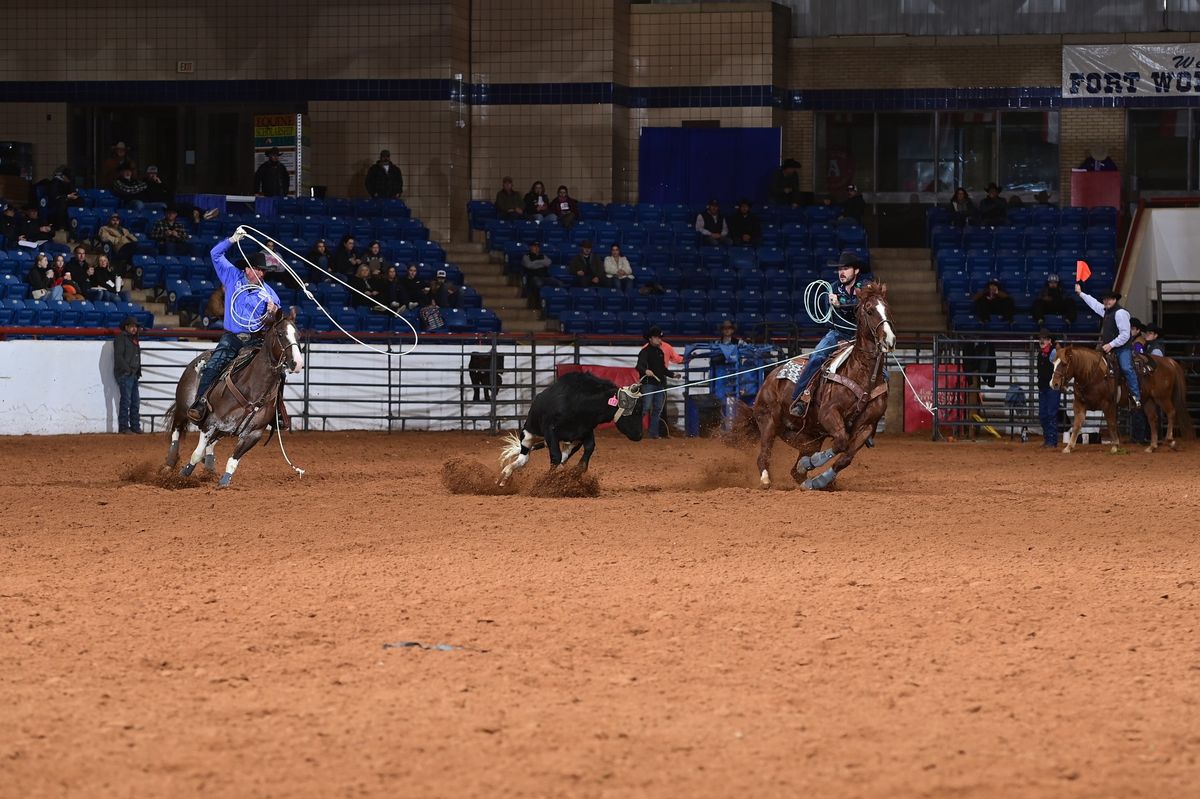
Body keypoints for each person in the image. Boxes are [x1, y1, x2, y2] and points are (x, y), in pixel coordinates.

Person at [186, 229, 282, 423]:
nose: (262, 274)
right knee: (213, 366)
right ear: (247, 269)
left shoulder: (270, 294)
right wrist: (231, 240)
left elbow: (278, 320)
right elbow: (215, 254)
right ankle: (200, 403)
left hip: (256, 339)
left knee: (276, 371)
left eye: (264, 271)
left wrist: (273, 312)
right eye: (258, 269)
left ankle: (276, 411)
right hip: (232, 337)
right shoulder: (232, 276)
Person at [789, 252, 875, 417]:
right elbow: (825, 309)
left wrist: (841, 303)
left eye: (846, 268)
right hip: (837, 334)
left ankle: (868, 415)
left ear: (856, 271)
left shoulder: (865, 286)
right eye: (840, 269)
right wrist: (831, 302)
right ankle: (799, 399)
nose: (842, 272)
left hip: (860, 338)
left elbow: (864, 303)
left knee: (879, 371)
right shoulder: (833, 288)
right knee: (816, 357)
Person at [1075, 284, 1141, 409]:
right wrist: (1080, 293)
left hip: (1122, 348)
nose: (1106, 301)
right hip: (1110, 347)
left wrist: (1111, 344)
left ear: (1115, 299)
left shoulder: (1120, 313)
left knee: (1126, 368)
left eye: (1109, 299)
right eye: (1105, 299)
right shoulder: (1107, 311)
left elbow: (1125, 335)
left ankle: (1136, 396)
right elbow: (1094, 304)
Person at [636, 326, 672, 439]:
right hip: (648, 384)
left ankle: (653, 433)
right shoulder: (645, 352)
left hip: (659, 384)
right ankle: (636, 431)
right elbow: (639, 366)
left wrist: (672, 375)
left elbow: (662, 369)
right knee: (645, 407)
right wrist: (645, 371)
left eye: (660, 338)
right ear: (650, 339)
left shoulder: (660, 352)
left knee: (657, 409)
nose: (659, 340)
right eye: (657, 338)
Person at [113, 316, 143, 434]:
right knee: (128, 401)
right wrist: (129, 370)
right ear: (126, 327)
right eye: (132, 326)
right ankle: (126, 426)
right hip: (127, 373)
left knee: (133, 401)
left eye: (135, 327)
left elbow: (120, 356)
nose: (134, 329)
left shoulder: (129, 338)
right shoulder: (122, 338)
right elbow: (119, 357)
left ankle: (131, 426)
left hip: (131, 373)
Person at [1036, 329, 1061, 449]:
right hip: (1043, 387)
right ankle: (1048, 439)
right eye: (1041, 338)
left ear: (1050, 340)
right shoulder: (1041, 354)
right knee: (1043, 414)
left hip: (1051, 388)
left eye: (1044, 338)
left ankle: (1052, 440)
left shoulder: (1053, 353)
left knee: (1050, 413)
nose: (1042, 340)